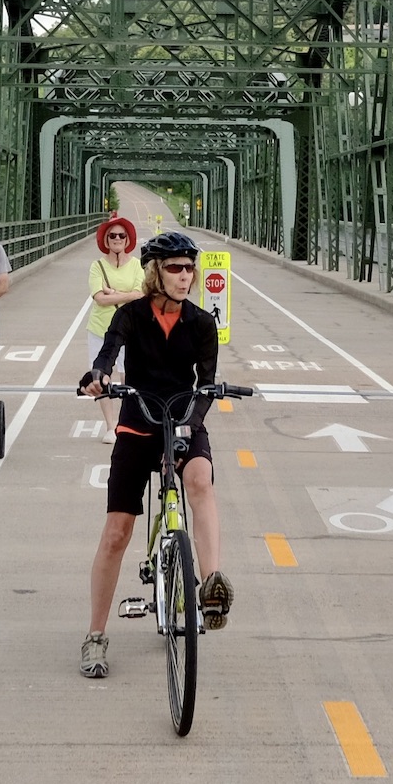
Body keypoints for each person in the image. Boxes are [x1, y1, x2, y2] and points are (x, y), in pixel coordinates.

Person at [74, 231, 230, 679]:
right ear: (154, 273)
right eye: (175, 268)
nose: (185, 276)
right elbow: (107, 354)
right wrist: (99, 377)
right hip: (138, 420)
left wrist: (189, 423)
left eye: (189, 268)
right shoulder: (130, 315)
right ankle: (96, 636)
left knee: (200, 482)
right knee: (117, 533)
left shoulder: (201, 323)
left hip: (183, 419)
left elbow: (206, 383)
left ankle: (213, 583)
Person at [84, 216, 146, 379]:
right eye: (112, 235)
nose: (117, 238)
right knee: (100, 378)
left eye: (121, 235)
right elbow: (99, 299)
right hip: (100, 328)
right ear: (106, 240)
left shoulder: (137, 265)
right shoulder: (97, 265)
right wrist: (128, 295)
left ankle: (127, 406)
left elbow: (140, 296)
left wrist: (112, 293)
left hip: (128, 329)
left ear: (127, 240)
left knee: (128, 377)